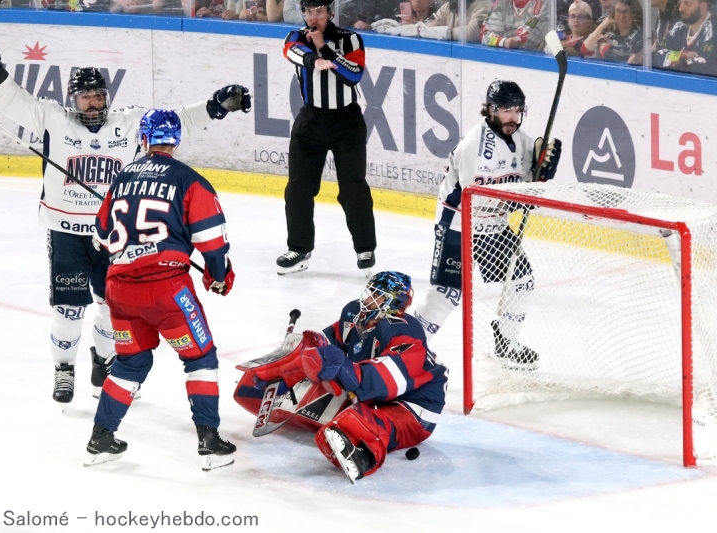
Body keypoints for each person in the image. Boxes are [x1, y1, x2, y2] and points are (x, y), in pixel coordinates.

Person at [0, 33, 251, 406]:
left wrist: (216, 105)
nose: (93, 102)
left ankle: (102, 362)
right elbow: (12, 100)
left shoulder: (128, 123)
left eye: (98, 95)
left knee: (109, 306)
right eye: (85, 96)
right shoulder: (52, 118)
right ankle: (64, 368)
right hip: (65, 231)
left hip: (113, 235)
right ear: (73, 99)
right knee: (68, 309)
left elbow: (178, 121)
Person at [84, 109, 237, 470]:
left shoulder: (122, 178)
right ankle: (209, 439)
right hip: (167, 291)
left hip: (120, 291)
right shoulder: (191, 181)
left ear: (144, 139)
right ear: (175, 141)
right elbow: (212, 243)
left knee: (132, 361)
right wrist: (218, 275)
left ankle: (101, 438)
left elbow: (101, 237)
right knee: (200, 358)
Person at [234, 271, 448, 483]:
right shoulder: (355, 315)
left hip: (414, 405)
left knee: (358, 423)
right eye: (370, 292)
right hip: (374, 392)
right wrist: (286, 371)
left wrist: (343, 369)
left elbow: (384, 381)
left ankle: (364, 454)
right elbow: (323, 350)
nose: (368, 298)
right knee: (313, 375)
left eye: (377, 295)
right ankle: (344, 421)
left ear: (393, 302)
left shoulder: (406, 332)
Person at [412, 80, 561, 370]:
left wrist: (541, 173)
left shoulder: (521, 141)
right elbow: (476, 199)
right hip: (460, 224)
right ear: (491, 110)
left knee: (521, 281)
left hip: (494, 224)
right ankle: (408, 346)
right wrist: (523, 198)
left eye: (517, 110)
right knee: (447, 294)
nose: (513, 117)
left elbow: (527, 183)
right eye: (506, 110)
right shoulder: (475, 147)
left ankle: (506, 341)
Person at [277, 0, 377, 276]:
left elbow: (353, 74)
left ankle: (365, 248)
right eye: (309, 12)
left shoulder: (350, 38)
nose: (313, 18)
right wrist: (315, 58)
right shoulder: (297, 36)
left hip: (347, 123)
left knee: (353, 188)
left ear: (330, 13)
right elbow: (292, 52)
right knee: (298, 188)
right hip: (311, 120)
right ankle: (299, 248)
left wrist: (325, 49)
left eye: (319, 12)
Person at [653, 0, 715, 75]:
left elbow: (703, 67)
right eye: (680, 2)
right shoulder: (678, 27)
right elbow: (657, 56)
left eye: (687, 3)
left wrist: (672, 58)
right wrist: (684, 55)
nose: (680, 8)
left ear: (703, 7)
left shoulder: (714, 31)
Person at [481, 0, 550, 50]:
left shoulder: (541, 3)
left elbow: (524, 41)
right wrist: (502, 41)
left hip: (535, 60)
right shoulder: (501, 3)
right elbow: (485, 35)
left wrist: (505, 41)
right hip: (505, 59)